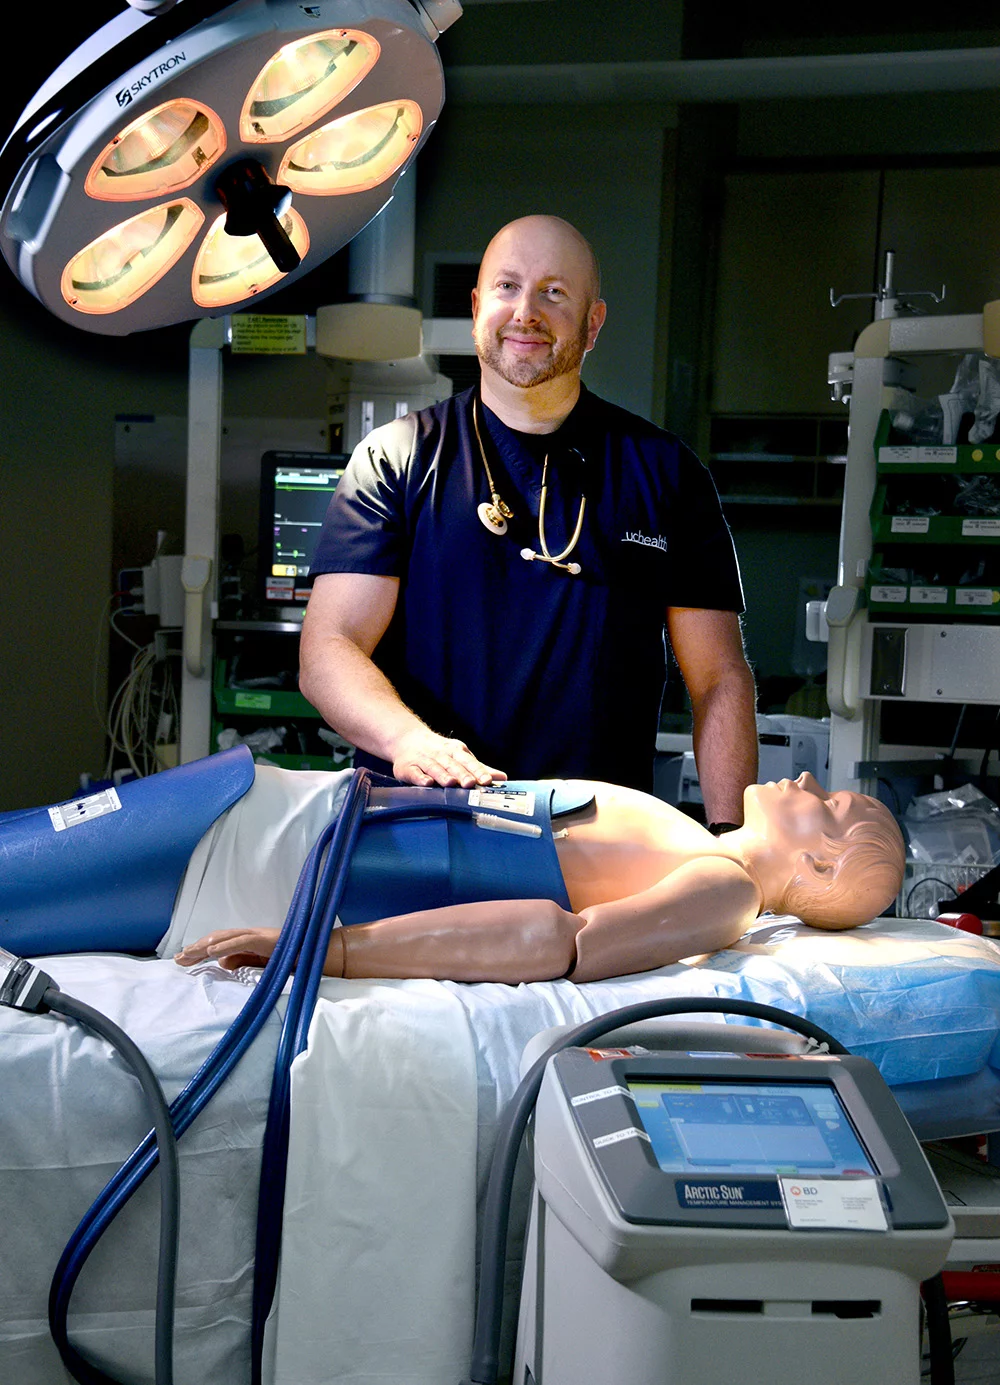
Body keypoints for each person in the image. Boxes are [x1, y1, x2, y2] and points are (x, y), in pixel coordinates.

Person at [299, 214, 758, 828]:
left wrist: (732, 838)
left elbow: (719, 679)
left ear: (593, 323)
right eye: (507, 287)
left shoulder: (667, 475)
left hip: (598, 839)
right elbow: (330, 646)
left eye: (554, 292)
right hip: (424, 827)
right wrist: (409, 740)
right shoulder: (396, 460)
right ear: (475, 306)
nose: (526, 312)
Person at [175, 771, 905, 986]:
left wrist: (329, 949)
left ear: (819, 863)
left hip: (314, 857)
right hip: (331, 820)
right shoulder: (705, 852)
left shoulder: (728, 892)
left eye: (828, 805)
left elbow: (555, 940)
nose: (808, 780)